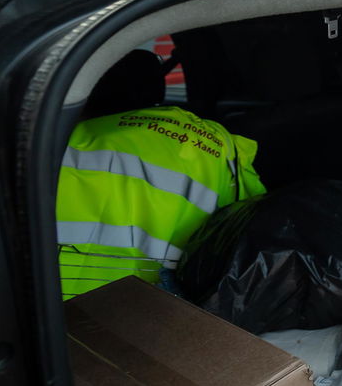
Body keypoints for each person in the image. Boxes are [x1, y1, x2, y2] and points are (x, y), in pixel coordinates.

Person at [56, 49, 268, 299]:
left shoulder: (52, 145)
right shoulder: (215, 142)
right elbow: (249, 219)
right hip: (167, 306)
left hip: (50, 305)